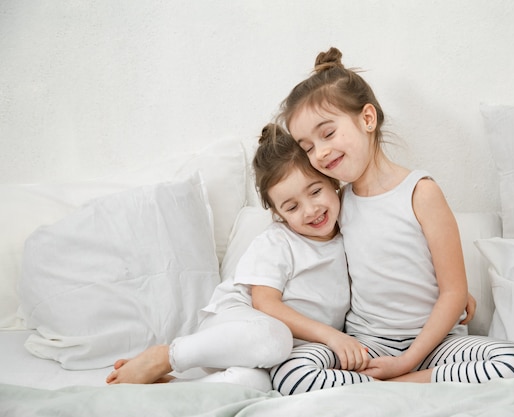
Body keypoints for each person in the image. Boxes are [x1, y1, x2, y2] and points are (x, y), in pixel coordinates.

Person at [270, 47, 514, 395]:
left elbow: (453, 291)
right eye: (307, 146)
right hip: (368, 344)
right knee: (290, 371)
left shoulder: (420, 193)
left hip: (436, 346)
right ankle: (389, 384)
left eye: (327, 134)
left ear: (367, 119)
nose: (319, 153)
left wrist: (408, 361)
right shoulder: (338, 205)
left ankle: (396, 385)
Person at [106, 123, 370, 390]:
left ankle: (170, 387)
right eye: (292, 207)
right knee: (275, 338)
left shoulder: (351, 230)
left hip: (274, 357)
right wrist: (331, 336)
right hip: (237, 329)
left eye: (315, 191)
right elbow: (266, 304)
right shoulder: (279, 241)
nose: (311, 210)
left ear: (333, 182)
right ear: (278, 214)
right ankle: (167, 356)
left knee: (255, 385)